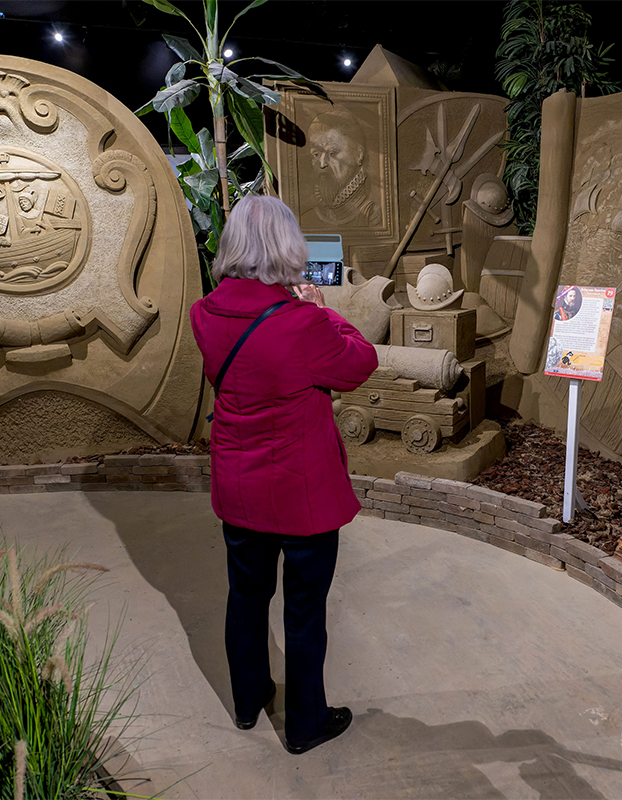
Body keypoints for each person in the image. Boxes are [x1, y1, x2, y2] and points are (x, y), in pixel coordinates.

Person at [189, 196, 378, 754]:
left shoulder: (206, 313)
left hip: (239, 488)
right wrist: (326, 311)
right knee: (303, 612)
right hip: (302, 495)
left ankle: (248, 703)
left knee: (245, 599)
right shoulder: (302, 323)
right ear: (286, 247)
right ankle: (304, 724)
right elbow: (359, 363)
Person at [301, 109, 381, 228]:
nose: (322, 164)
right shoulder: (307, 220)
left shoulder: (375, 218)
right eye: (316, 154)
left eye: (332, 153)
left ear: (359, 155)